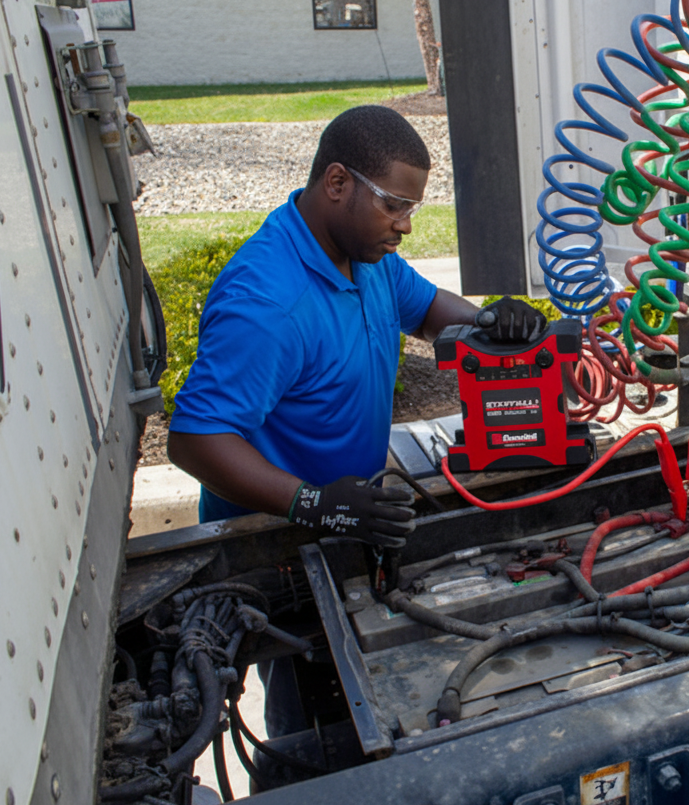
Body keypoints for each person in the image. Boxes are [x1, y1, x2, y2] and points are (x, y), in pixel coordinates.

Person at [168, 105, 543, 546]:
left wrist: (489, 320)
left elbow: (425, 311)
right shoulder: (267, 303)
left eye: (411, 209)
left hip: (350, 519)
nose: (404, 225)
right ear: (338, 182)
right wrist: (313, 504)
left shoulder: (366, 256)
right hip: (269, 539)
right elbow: (195, 440)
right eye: (393, 205)